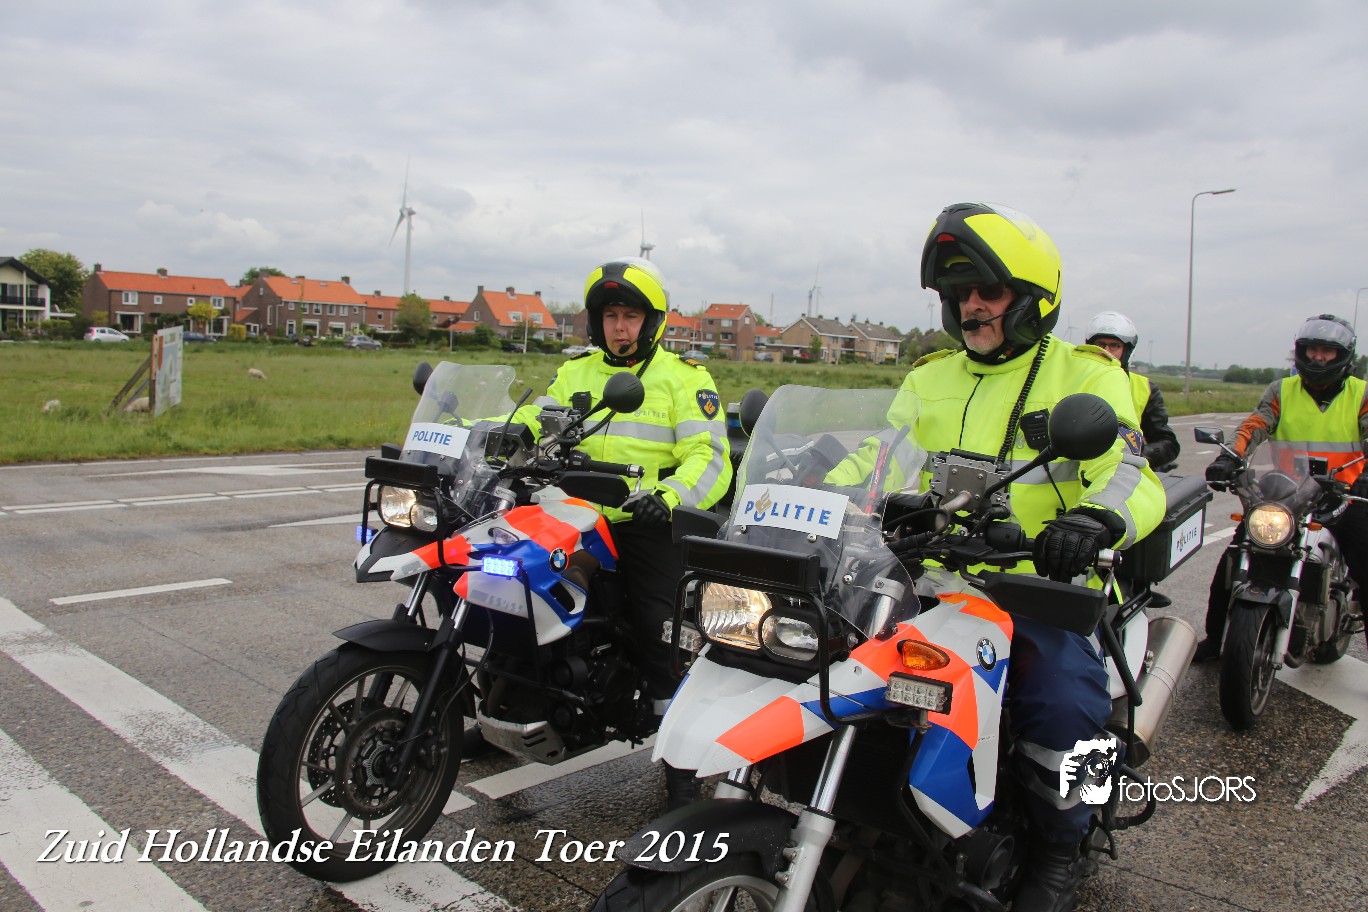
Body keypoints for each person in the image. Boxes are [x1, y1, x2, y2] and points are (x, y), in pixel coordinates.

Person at [895, 203, 1164, 912]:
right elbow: (876, 455)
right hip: (933, 580)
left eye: (988, 291)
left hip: (1038, 590)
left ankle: (1059, 848)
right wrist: (812, 483)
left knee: (1060, 705)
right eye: (959, 293)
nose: (971, 306)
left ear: (1033, 299)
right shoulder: (928, 377)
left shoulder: (1086, 376)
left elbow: (1130, 473)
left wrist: (1093, 521)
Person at [515, 257, 732, 807]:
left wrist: (668, 497)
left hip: (643, 518)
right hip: (572, 514)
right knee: (511, 585)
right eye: (610, 316)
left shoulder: (684, 378)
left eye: (630, 316)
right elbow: (540, 418)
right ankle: (508, 698)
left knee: (662, 628)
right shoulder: (576, 372)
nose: (619, 327)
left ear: (651, 322)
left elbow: (710, 457)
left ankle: (683, 767)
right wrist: (499, 434)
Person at [1196, 314, 1368, 661]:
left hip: (1345, 495)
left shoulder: (1361, 394)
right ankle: (1216, 641)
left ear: (1343, 356)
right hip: (1289, 494)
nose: (1318, 357)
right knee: (1234, 558)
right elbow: (1255, 424)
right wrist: (1229, 457)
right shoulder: (1281, 391)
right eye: (1312, 349)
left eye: (1327, 351)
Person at [1085, 312, 1180, 472]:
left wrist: (1141, 455)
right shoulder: (1074, 380)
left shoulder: (1145, 388)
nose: (1106, 351)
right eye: (1100, 344)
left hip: (1125, 472)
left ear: (1126, 350)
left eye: (1114, 345)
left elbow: (1168, 443)